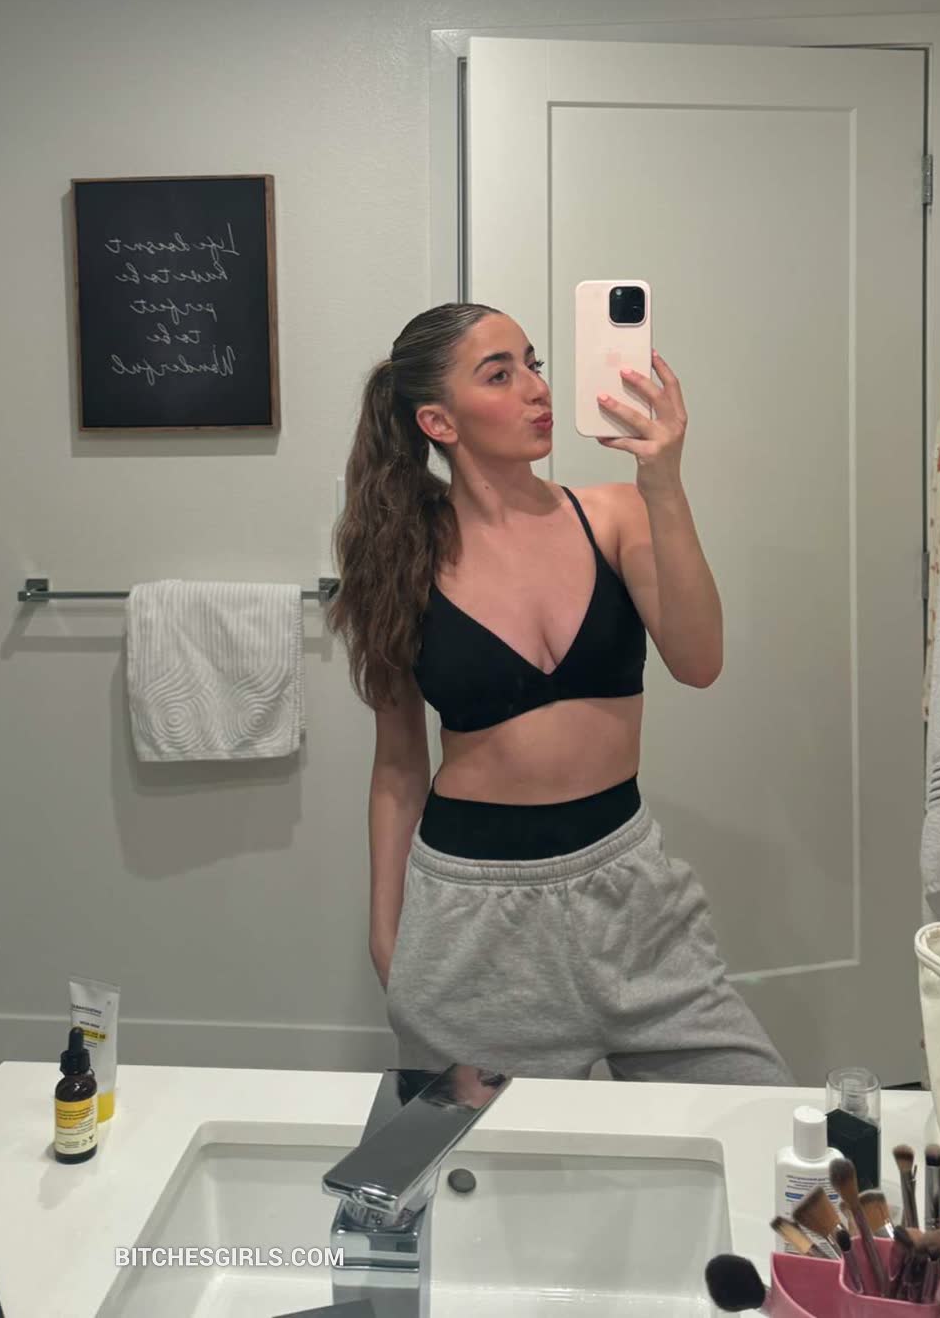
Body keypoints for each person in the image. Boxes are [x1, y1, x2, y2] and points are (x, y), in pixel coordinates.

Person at [328, 300, 791, 1084]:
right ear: (438, 422)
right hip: (472, 916)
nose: (536, 388)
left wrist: (663, 483)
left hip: (630, 898)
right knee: (483, 1160)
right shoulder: (399, 561)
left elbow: (698, 660)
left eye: (533, 364)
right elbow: (399, 766)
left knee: (753, 1121)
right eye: (499, 374)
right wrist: (386, 932)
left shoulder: (614, 514)